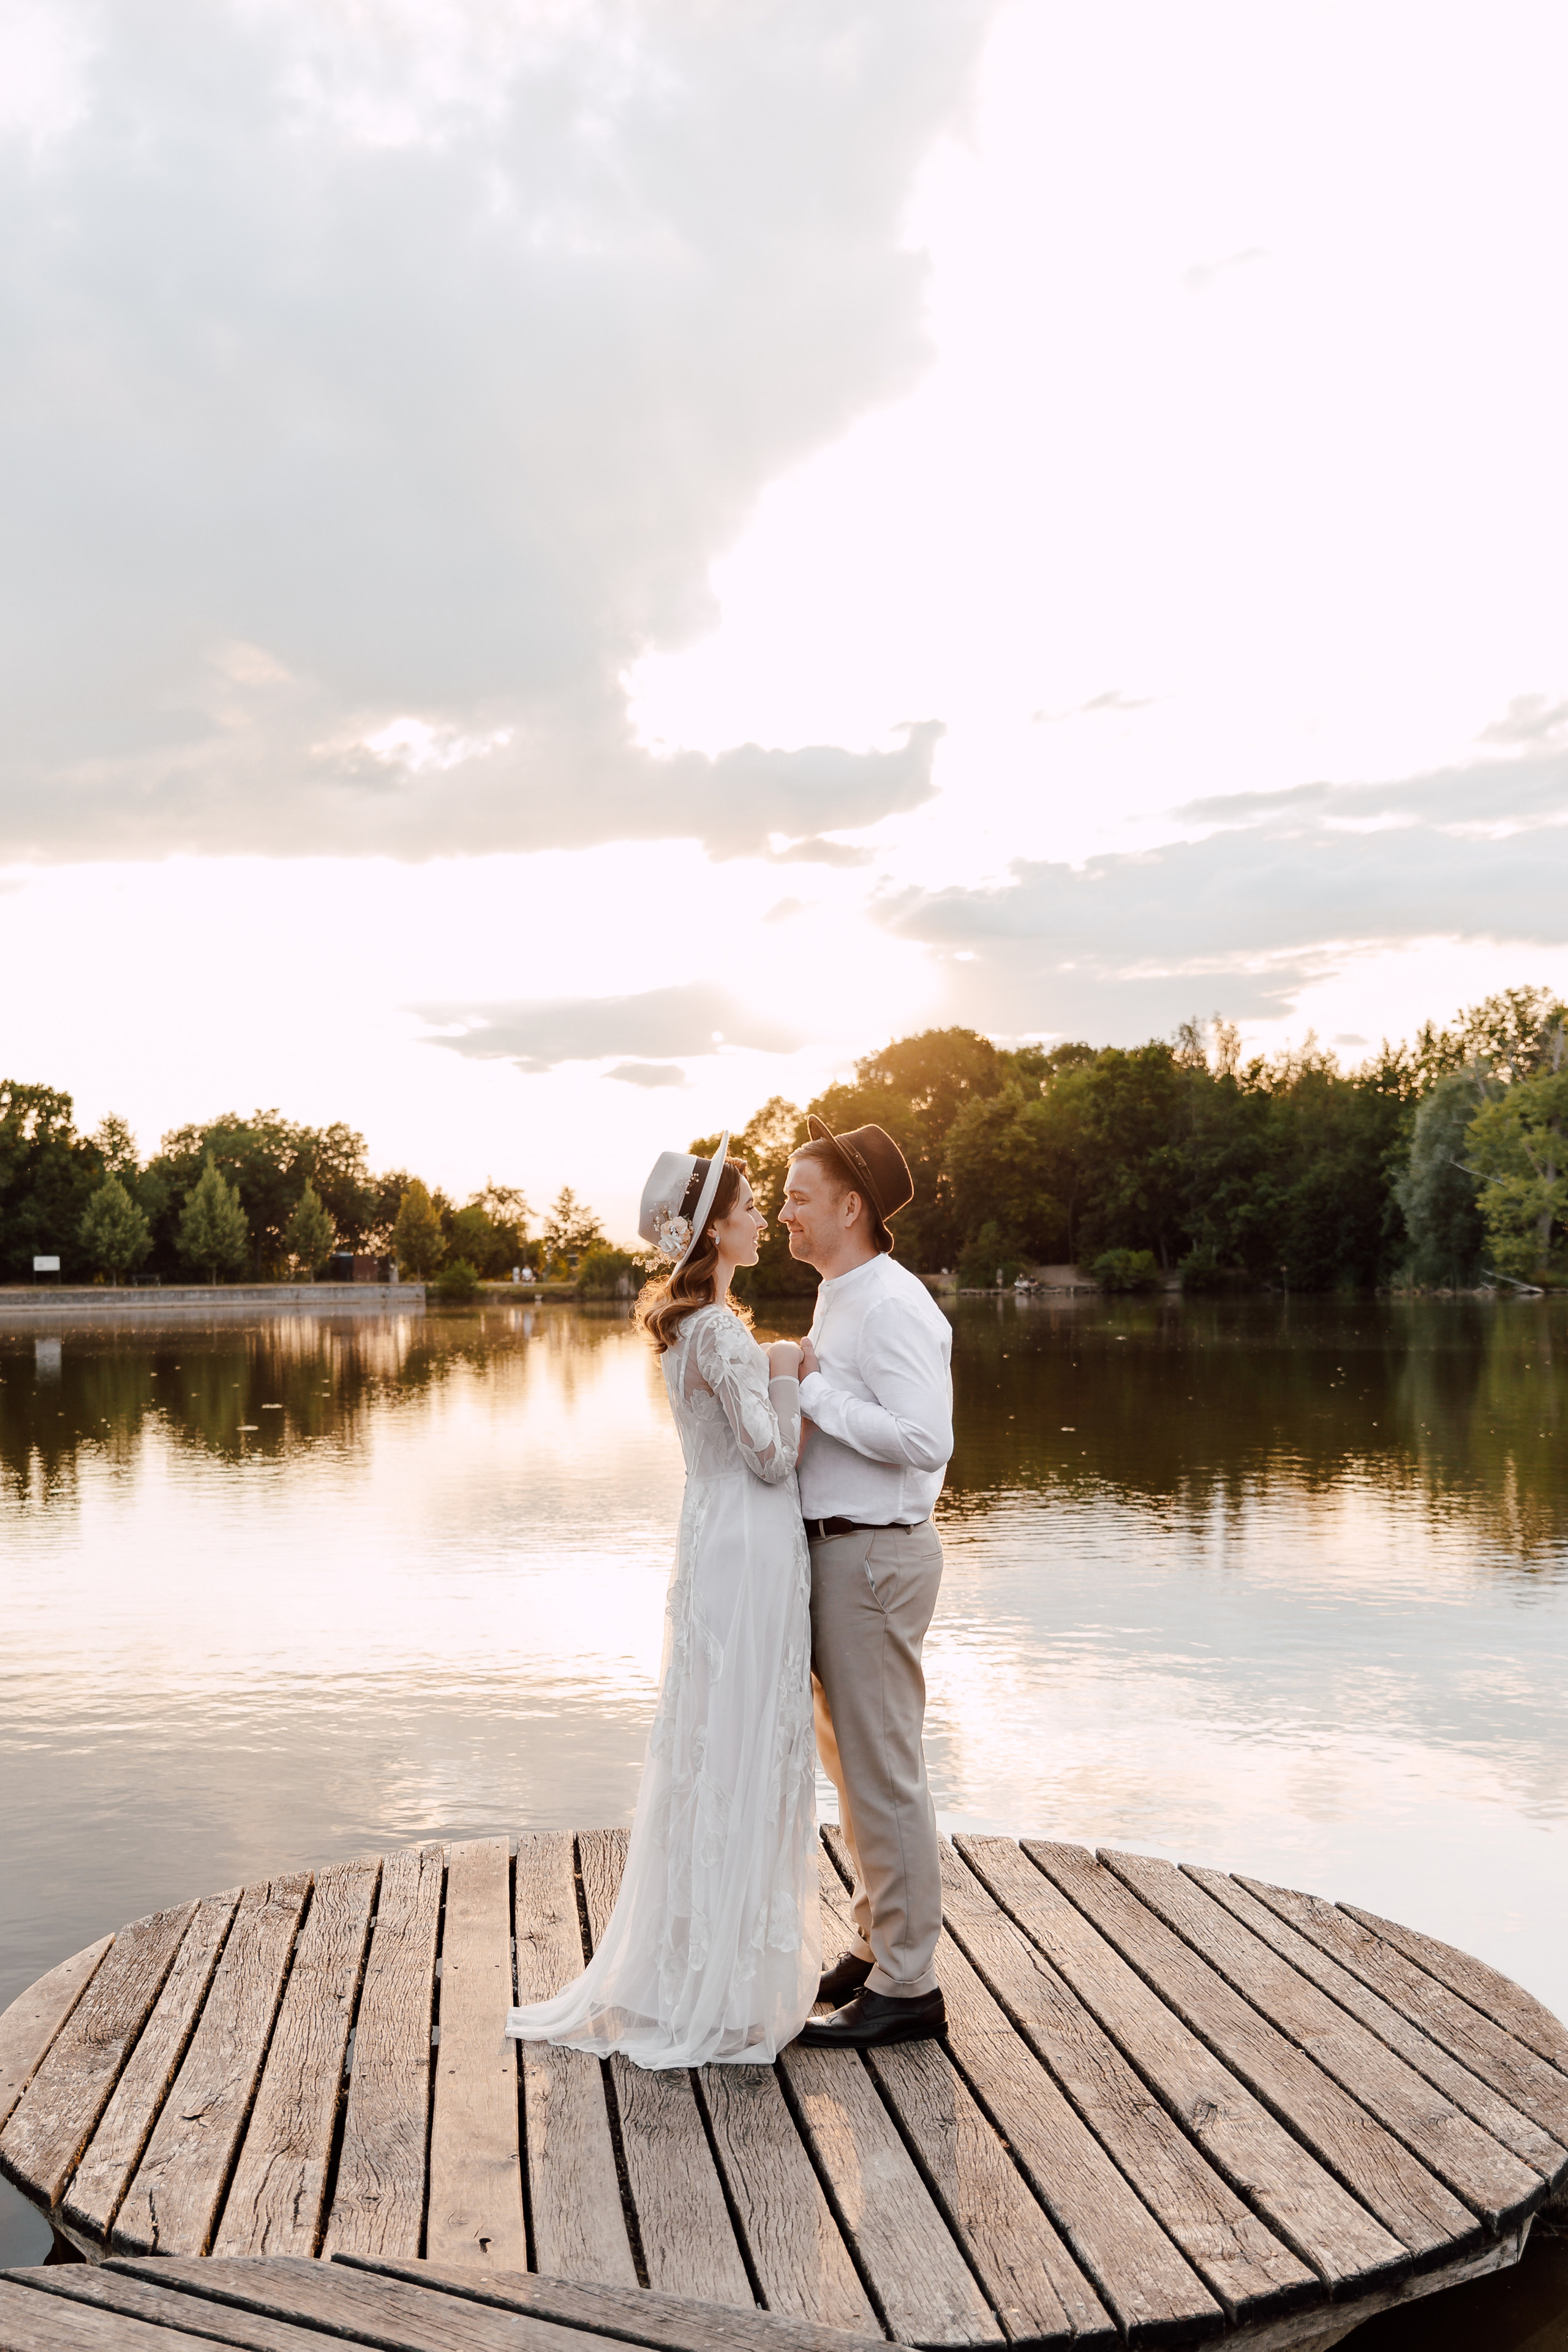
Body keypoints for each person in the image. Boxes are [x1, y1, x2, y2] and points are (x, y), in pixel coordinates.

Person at [504, 1134, 819, 2067]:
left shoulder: (688, 1329)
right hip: (752, 1539)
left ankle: (696, 1966)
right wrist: (790, 1375)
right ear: (715, 1228)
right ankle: (726, 1983)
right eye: (753, 1208)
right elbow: (770, 1456)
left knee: (707, 1741)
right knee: (746, 1739)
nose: (763, 1219)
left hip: (709, 1532)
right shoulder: (721, 1330)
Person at [779, 1115, 954, 2051]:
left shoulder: (890, 1303)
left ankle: (910, 1985)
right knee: (855, 1772)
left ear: (851, 1208)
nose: (782, 1214)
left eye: (799, 1198)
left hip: (876, 1558)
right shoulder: (846, 1294)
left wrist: (809, 1394)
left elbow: (927, 1441)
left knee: (884, 1774)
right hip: (843, 1557)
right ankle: (877, 1946)